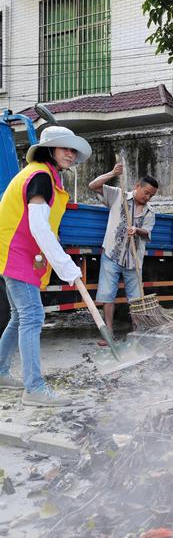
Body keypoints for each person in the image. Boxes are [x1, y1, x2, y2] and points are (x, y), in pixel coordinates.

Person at [0, 126, 91, 406]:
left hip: (15, 253)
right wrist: (65, 265)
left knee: (19, 317)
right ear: (48, 150)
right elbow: (39, 226)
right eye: (64, 147)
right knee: (32, 317)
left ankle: (1, 372)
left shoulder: (43, 176)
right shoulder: (40, 176)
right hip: (17, 253)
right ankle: (35, 390)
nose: (70, 153)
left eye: (73, 149)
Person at [88, 165, 157, 331]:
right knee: (107, 295)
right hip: (112, 254)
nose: (148, 197)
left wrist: (137, 230)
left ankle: (138, 330)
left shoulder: (150, 213)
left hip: (134, 260)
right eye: (146, 192)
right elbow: (93, 186)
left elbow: (147, 233)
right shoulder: (118, 195)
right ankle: (109, 331)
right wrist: (112, 173)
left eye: (151, 195)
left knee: (135, 298)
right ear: (137, 186)